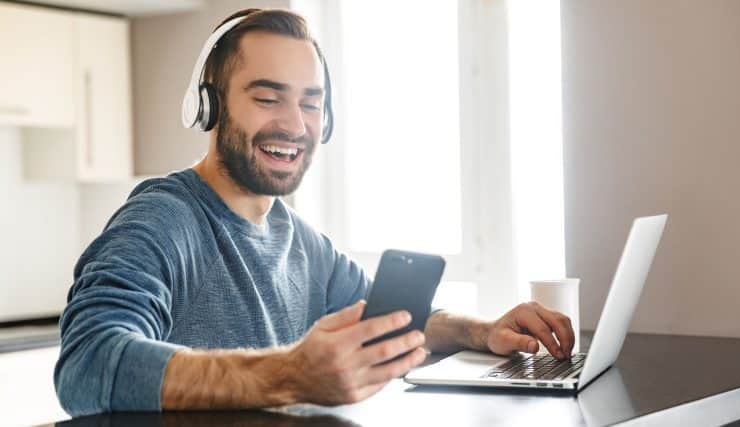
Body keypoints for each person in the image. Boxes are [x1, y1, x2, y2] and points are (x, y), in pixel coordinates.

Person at [54, 8, 575, 416]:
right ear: (209, 106)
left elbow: (389, 320)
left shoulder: (300, 240)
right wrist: (288, 374)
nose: (294, 124)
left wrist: (482, 331)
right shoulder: (162, 220)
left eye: (310, 102)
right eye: (267, 98)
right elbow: (87, 366)